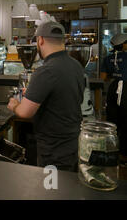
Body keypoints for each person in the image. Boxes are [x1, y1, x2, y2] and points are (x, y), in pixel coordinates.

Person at [7, 21, 85, 171]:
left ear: (40, 40)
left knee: (52, 190)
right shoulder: (76, 65)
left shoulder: (46, 71)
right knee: (67, 189)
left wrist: (15, 105)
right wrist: (34, 94)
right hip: (73, 143)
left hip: (54, 149)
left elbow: (25, 112)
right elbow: (68, 98)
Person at [100, 33, 127, 161]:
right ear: (124, 44)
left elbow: (103, 78)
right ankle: (124, 155)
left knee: (112, 121)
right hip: (126, 90)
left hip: (113, 89)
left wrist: (114, 75)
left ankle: (111, 152)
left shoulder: (108, 58)